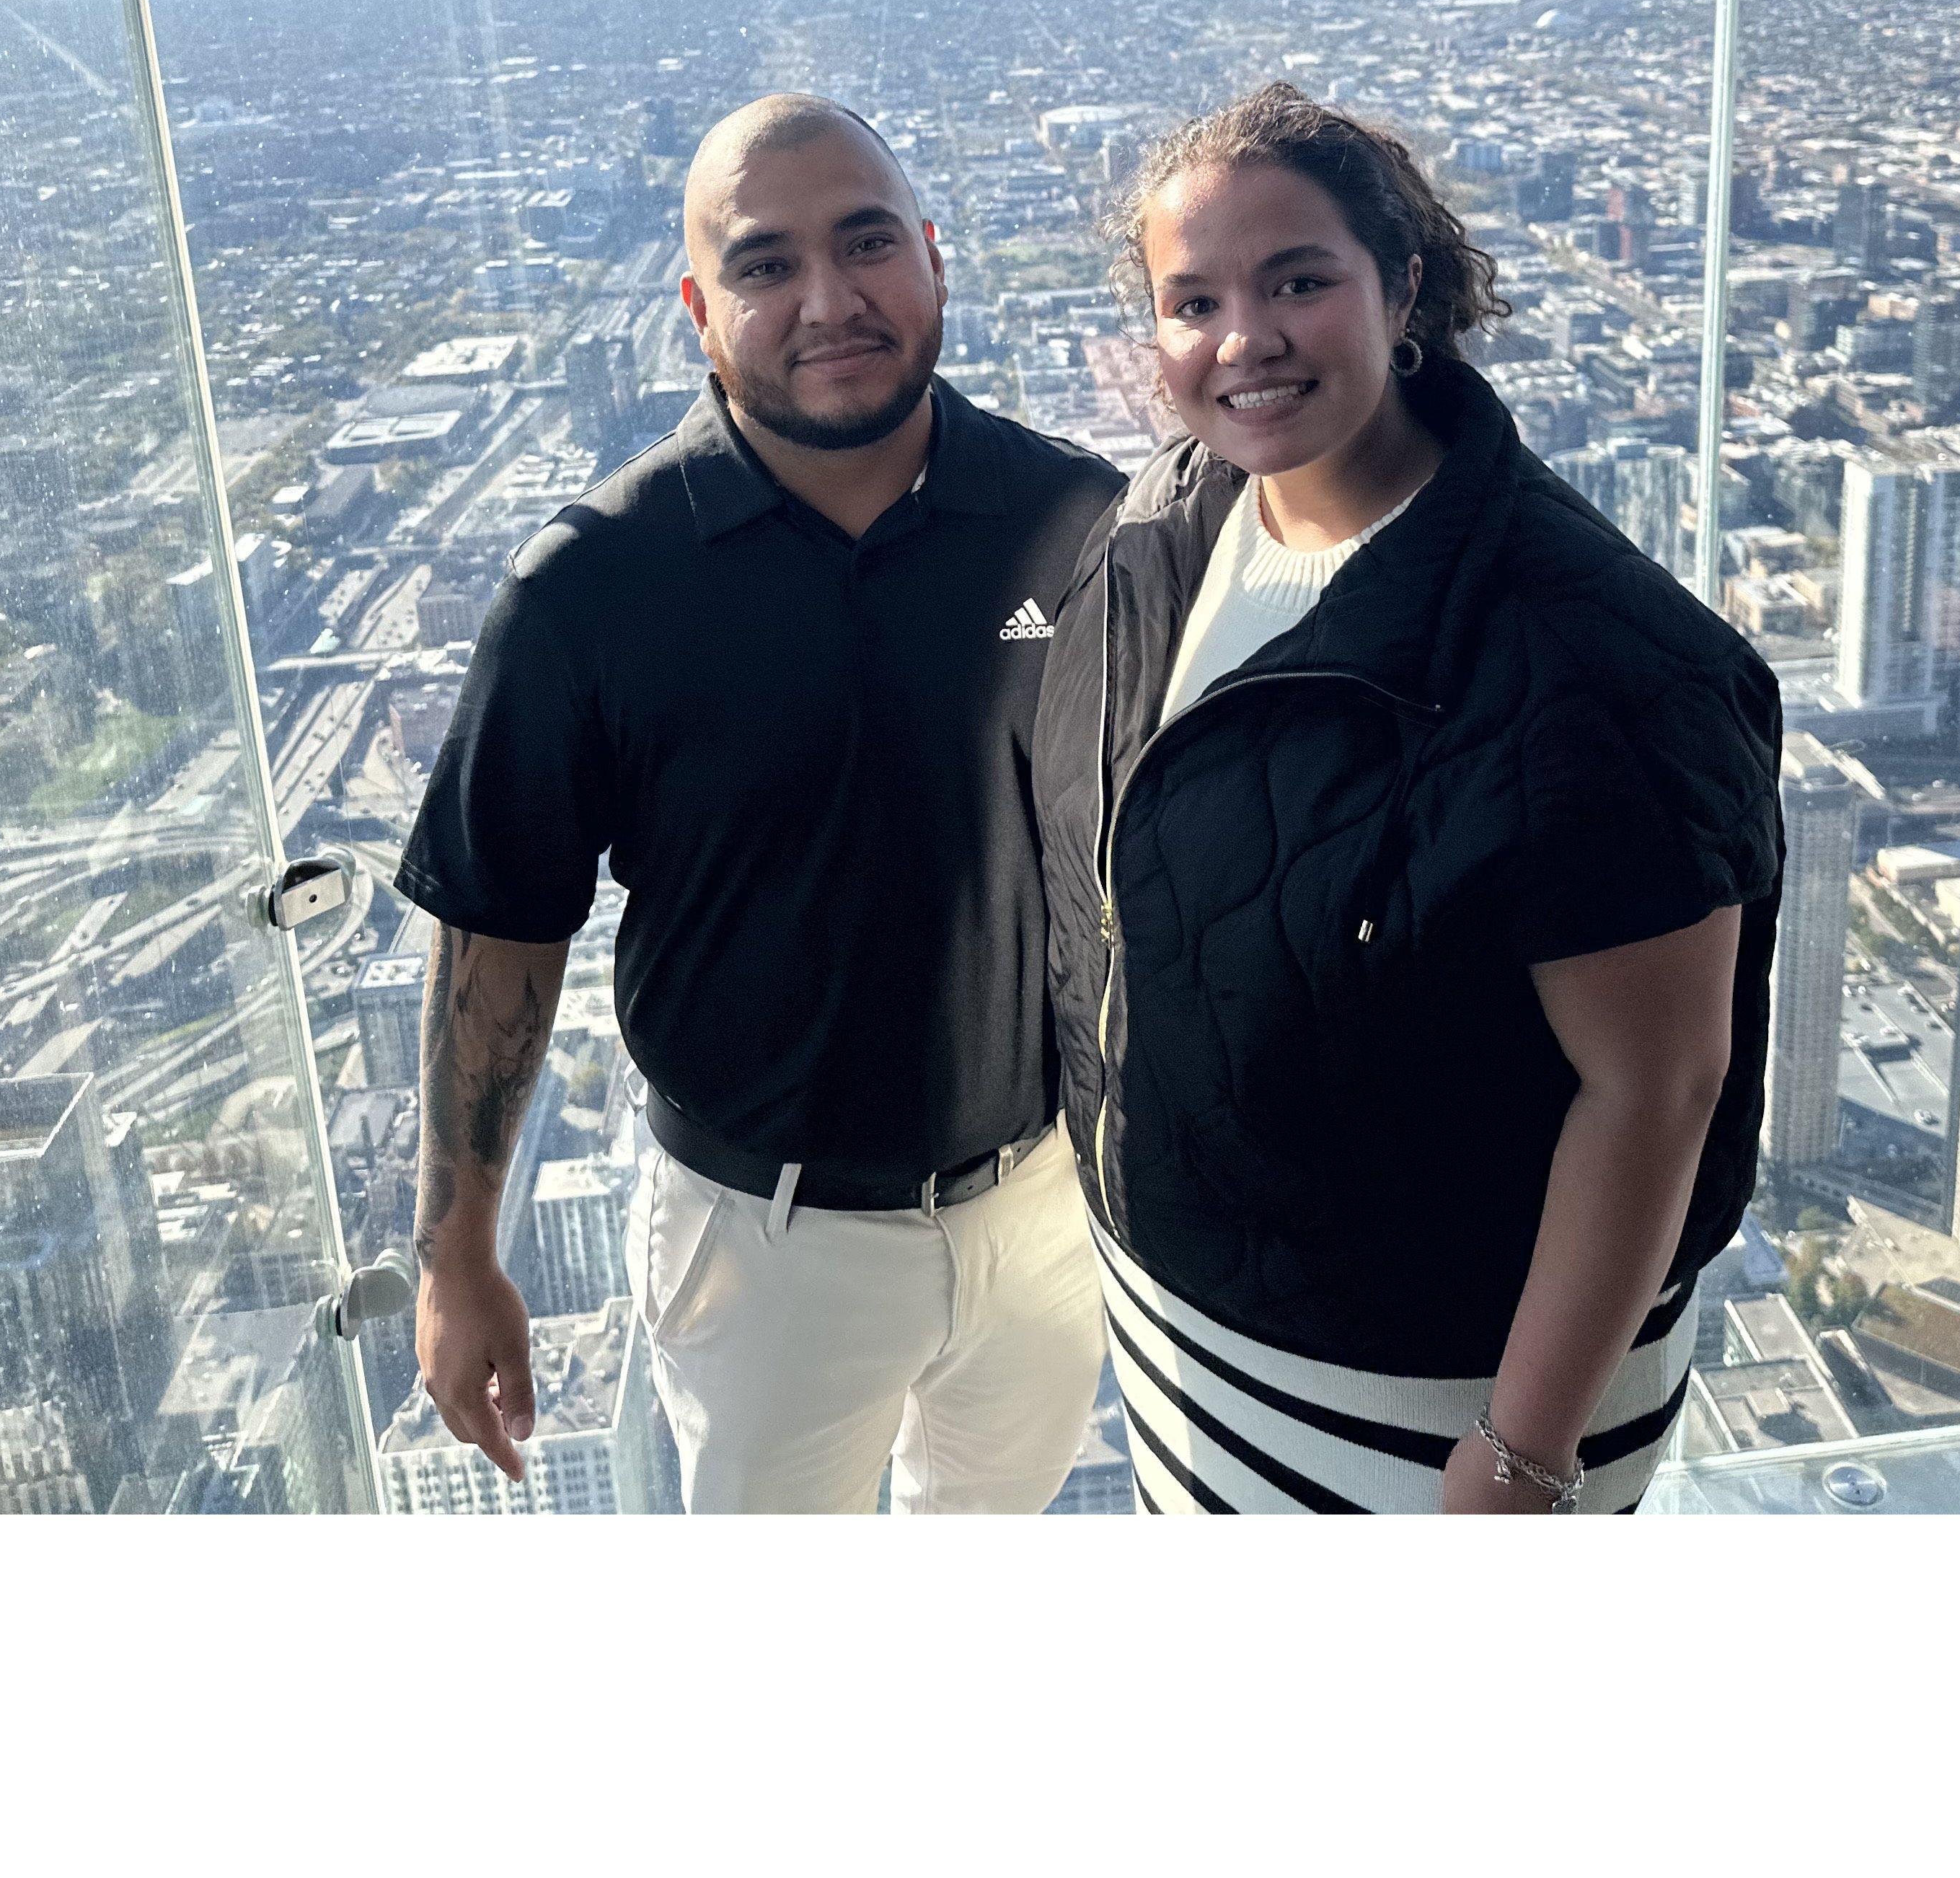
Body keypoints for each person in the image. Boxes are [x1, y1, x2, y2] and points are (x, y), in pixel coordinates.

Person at [1035, 83, 1785, 1515]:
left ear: (1405, 285)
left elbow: (1658, 1086)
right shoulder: (1163, 539)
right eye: (1192, 302)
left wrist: (1524, 1453)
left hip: (1445, 1408)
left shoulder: (1596, 664)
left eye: (1297, 281)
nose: (1242, 338)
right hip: (1190, 1347)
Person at [399, 94, 1121, 1512]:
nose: (827, 300)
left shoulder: (1079, 521)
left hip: (1045, 1207)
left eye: (865, 245)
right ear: (698, 306)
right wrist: (456, 1254)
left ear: (932, 257)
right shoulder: (594, 585)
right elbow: (499, 931)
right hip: (761, 1239)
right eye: (764, 264)